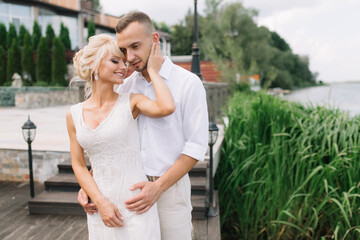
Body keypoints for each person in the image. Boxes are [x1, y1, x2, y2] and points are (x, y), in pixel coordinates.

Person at [78, 11, 209, 240]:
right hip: (127, 189)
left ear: (155, 40)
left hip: (169, 190)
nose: (129, 56)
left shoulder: (189, 83)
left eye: (135, 46)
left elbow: (196, 146)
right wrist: (92, 184)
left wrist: (157, 187)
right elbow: (112, 141)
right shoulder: (125, 86)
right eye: (123, 50)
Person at [67, 33, 175, 239]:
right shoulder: (73, 115)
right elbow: (79, 165)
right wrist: (99, 201)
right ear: (93, 63)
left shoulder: (132, 102)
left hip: (136, 206)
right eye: (115, 60)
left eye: (125, 62)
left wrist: (153, 71)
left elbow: (167, 107)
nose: (124, 67)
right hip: (100, 209)